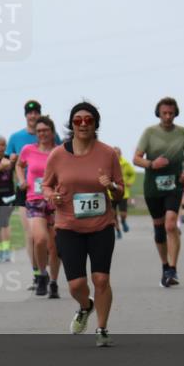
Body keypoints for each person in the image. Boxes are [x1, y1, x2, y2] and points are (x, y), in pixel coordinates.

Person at [42, 102, 124, 347]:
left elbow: (120, 193)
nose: (84, 124)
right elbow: (46, 185)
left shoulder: (108, 153)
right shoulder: (58, 154)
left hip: (101, 226)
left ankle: (102, 328)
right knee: (77, 284)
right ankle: (85, 306)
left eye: (89, 120)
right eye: (78, 120)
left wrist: (110, 186)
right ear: (72, 124)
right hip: (68, 226)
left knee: (100, 280)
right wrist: (51, 197)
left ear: (96, 123)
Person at [133, 97, 184, 288]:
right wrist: (152, 164)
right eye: (164, 113)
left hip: (174, 185)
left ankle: (173, 269)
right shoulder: (149, 133)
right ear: (158, 114)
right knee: (159, 229)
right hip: (153, 186)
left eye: (171, 113)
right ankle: (165, 266)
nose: (167, 117)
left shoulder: (183, 133)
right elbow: (136, 159)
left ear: (175, 113)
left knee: (170, 225)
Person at [7, 100, 60, 289]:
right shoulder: (17, 138)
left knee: (54, 244)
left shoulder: (57, 146)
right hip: (30, 194)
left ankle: (51, 279)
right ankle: (38, 273)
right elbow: (11, 162)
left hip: (54, 199)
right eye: (29, 113)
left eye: (36, 112)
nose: (32, 115)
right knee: (34, 236)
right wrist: (19, 176)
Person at [114, 147, 136, 238]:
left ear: (120, 154)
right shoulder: (107, 163)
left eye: (117, 154)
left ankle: (123, 221)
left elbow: (132, 174)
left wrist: (130, 182)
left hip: (123, 193)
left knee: (123, 214)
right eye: (113, 154)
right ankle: (118, 231)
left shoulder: (126, 164)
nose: (115, 155)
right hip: (110, 194)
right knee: (113, 215)